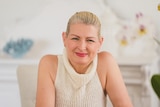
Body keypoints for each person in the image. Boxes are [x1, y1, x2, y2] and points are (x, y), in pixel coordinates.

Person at [35, 11, 133, 107]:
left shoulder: (106, 62)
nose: (82, 47)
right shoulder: (48, 64)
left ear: (100, 43)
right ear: (64, 38)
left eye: (90, 40)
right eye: (75, 38)